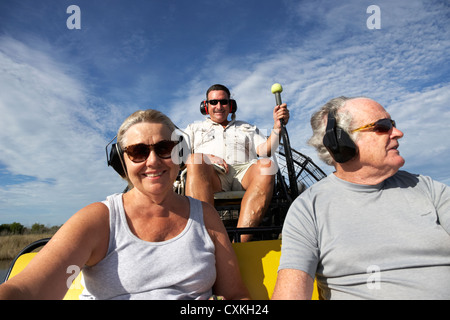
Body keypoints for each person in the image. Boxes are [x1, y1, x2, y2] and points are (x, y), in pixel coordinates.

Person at [0, 109, 250, 300]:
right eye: (138, 152)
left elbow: (236, 297)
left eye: (164, 148)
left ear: (178, 154)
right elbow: (28, 290)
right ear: (122, 162)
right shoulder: (98, 220)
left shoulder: (205, 216)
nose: (153, 161)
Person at [272, 96, 450, 300]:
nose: (398, 133)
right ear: (340, 142)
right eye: (383, 127)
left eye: (393, 125)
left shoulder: (428, 188)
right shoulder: (308, 209)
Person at [184, 84, 289, 242]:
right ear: (205, 106)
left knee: (267, 166)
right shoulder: (194, 129)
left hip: (245, 174)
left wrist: (277, 127)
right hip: (213, 175)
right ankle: (205, 241)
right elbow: (177, 156)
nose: (219, 106)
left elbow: (266, 151)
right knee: (194, 160)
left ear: (231, 105)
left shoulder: (247, 127)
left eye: (223, 102)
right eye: (213, 102)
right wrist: (205, 156)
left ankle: (240, 241)